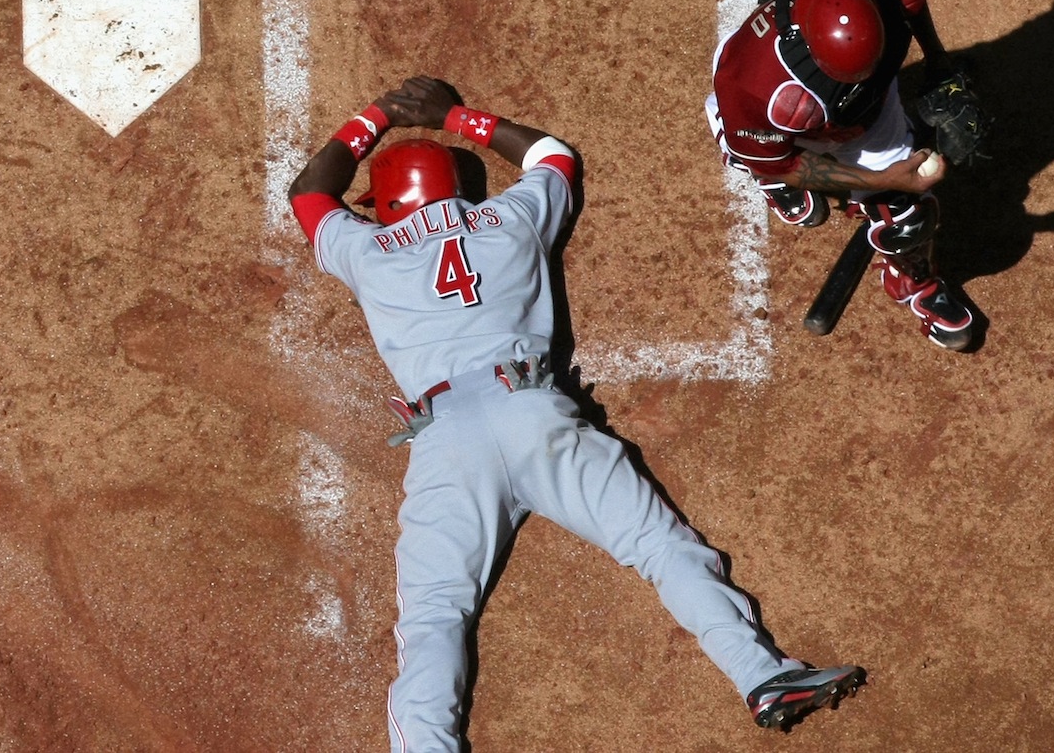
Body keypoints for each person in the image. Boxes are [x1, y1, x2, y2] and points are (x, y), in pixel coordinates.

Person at [287, 75, 866, 750]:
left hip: (447, 442)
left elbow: (309, 193)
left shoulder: (368, 252)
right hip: (535, 414)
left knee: (437, 616)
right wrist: (453, 116)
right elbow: (552, 156)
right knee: (659, 546)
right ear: (457, 190)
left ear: (383, 207)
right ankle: (762, 673)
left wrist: (378, 115)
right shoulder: (508, 220)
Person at [707, 0, 980, 350]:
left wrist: (938, 68)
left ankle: (909, 279)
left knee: (909, 221)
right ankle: (752, 166)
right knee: (762, 157)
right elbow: (781, 161)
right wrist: (886, 179)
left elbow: (911, 4)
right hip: (791, 126)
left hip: (864, 107)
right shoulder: (764, 94)